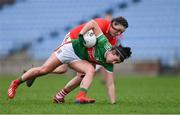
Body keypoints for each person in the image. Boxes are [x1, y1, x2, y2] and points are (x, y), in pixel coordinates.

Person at [26, 16, 129, 104]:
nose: (118, 33)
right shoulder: (101, 24)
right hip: (74, 39)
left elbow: (102, 52)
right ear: (113, 24)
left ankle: (58, 95)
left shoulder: (113, 40)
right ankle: (34, 74)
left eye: (121, 32)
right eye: (117, 30)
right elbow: (88, 31)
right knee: (63, 69)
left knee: (82, 75)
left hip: (85, 50)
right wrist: (65, 45)